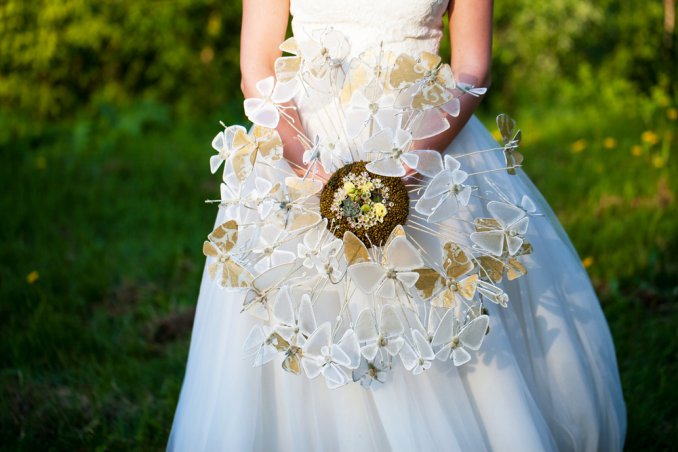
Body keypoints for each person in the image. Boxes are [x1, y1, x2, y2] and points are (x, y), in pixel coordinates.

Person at [168, 0, 627, 450]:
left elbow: (472, 71)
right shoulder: (304, 156)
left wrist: (410, 165)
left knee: (439, 310)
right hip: (305, 143)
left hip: (426, 138)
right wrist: (311, 169)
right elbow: (257, 64)